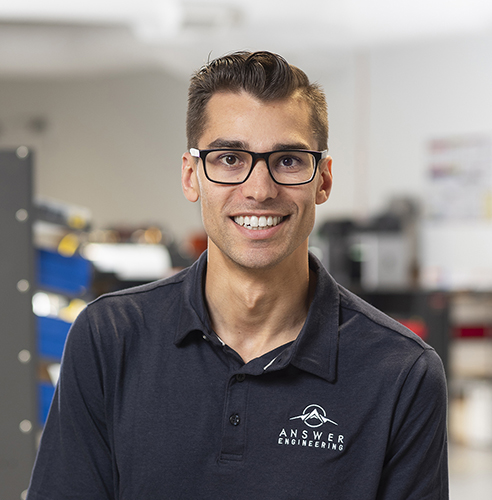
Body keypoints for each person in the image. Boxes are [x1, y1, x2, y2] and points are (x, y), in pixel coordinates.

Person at [28, 51, 448, 499]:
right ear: (191, 176)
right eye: (229, 158)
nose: (259, 190)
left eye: (288, 160)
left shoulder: (402, 373)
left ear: (323, 180)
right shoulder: (109, 338)